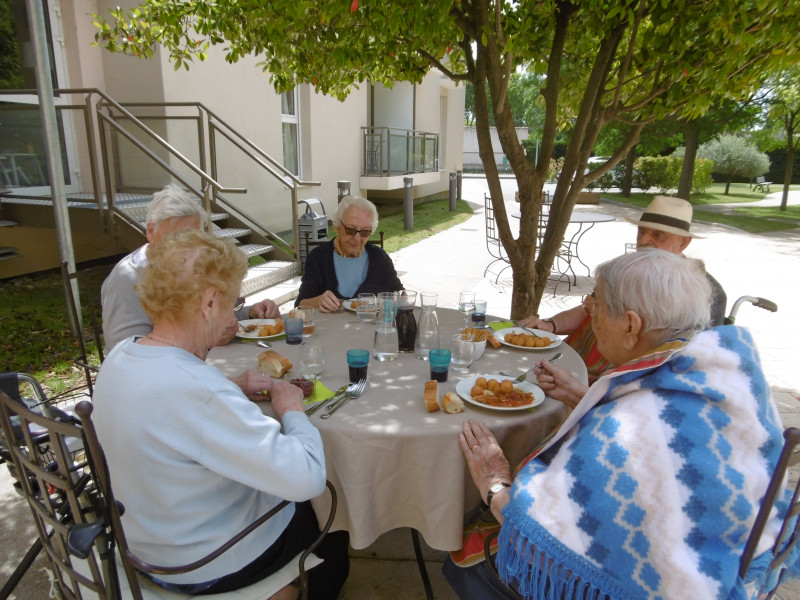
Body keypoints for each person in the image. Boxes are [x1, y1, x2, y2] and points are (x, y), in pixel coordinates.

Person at [445, 250, 792, 600]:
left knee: (465, 554)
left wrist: (494, 484)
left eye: (596, 303)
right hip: (740, 554)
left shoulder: (621, 433)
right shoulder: (728, 371)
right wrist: (583, 395)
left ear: (630, 326)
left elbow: (536, 527)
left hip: (680, 586)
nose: (589, 312)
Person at [92, 229, 349, 599]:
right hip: (204, 563)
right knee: (329, 524)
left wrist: (228, 384)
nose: (234, 313)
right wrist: (292, 411)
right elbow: (307, 476)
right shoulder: (199, 391)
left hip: (144, 542)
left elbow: (175, 403)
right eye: (233, 300)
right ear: (209, 303)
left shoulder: (121, 357)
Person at [519, 195, 727, 382]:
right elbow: (588, 309)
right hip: (572, 362)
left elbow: (678, 365)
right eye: (642, 231)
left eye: (658, 235)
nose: (644, 240)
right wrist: (550, 325)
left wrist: (589, 395)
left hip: (610, 382)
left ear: (684, 243)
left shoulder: (702, 293)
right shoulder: (627, 271)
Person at [101, 184, 279, 350]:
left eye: (192, 238)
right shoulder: (126, 279)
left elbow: (201, 316)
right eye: (173, 238)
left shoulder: (190, 265)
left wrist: (251, 315)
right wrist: (205, 340)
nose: (183, 247)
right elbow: (129, 352)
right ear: (150, 231)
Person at [295, 195, 403, 312]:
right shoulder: (318, 258)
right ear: (337, 226)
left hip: (370, 328)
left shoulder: (379, 258)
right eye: (351, 230)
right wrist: (317, 301)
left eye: (365, 232)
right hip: (331, 329)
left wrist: (387, 302)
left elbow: (401, 296)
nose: (357, 238)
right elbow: (300, 304)